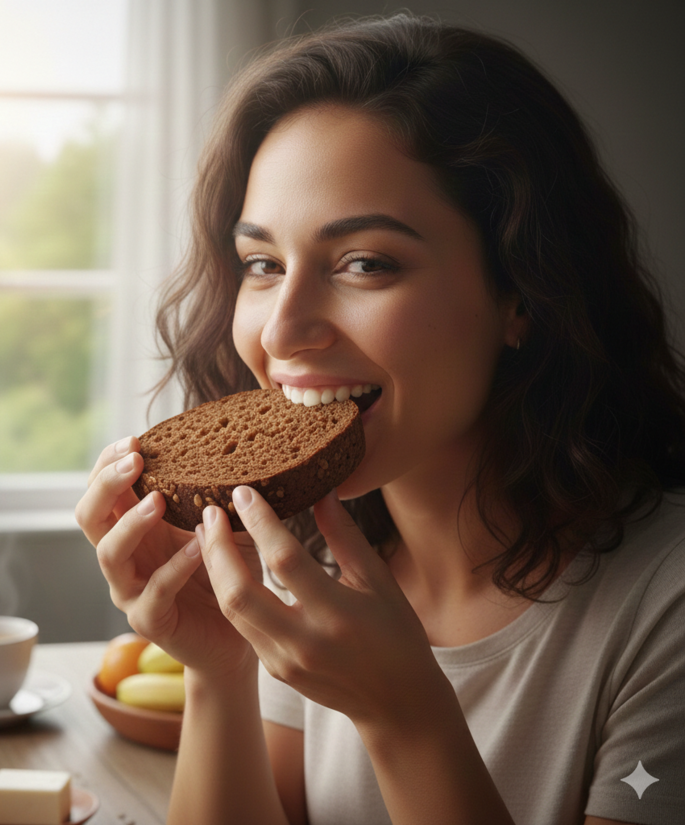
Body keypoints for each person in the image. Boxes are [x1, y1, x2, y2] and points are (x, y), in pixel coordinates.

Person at [75, 13, 685, 825]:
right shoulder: (311, 568)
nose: (282, 330)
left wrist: (405, 718)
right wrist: (220, 667)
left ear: (522, 292)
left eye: (364, 263)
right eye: (262, 263)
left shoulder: (664, 608)